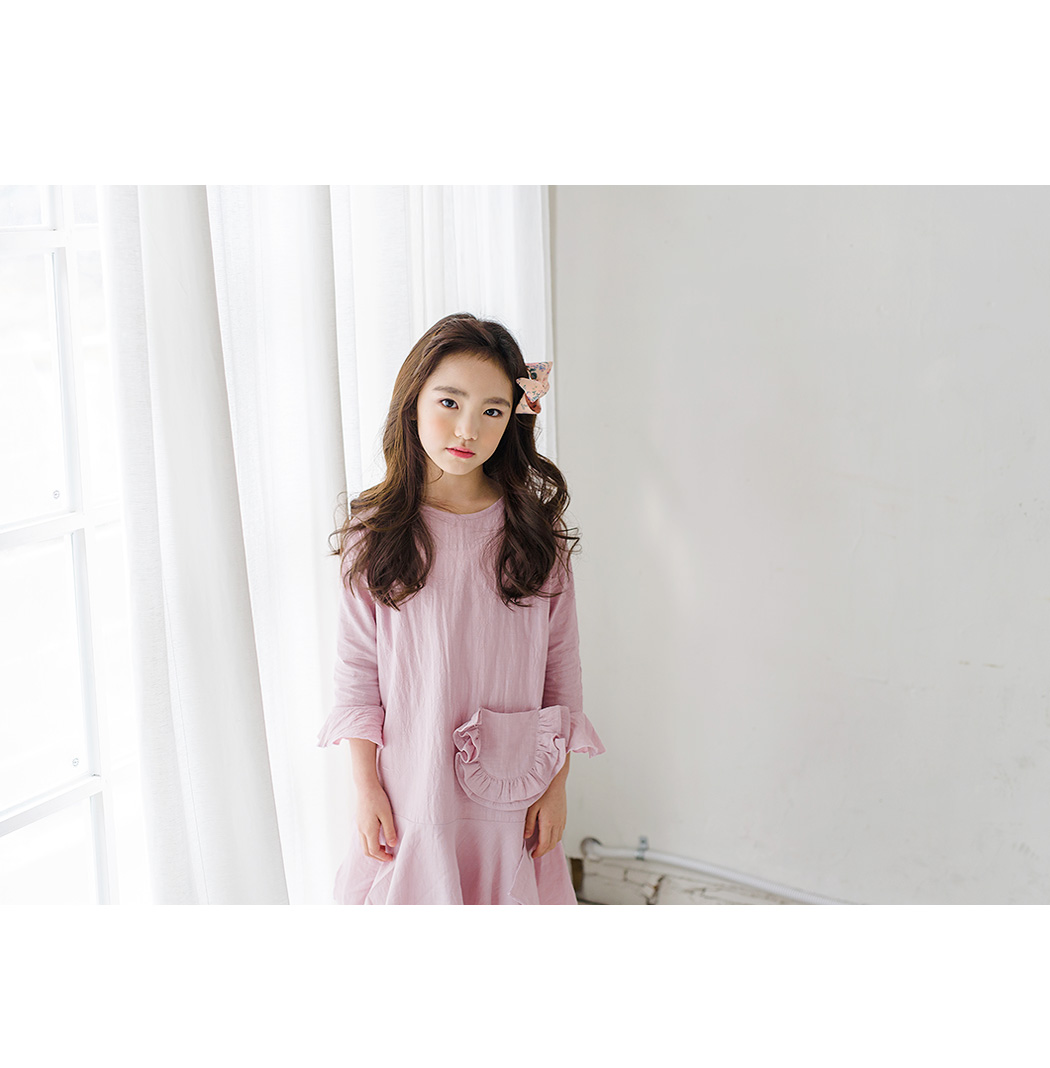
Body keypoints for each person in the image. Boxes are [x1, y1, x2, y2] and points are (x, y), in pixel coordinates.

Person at [317, 312, 605, 904]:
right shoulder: (375, 536)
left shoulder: (535, 536)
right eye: (449, 402)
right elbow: (357, 674)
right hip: (412, 786)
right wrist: (366, 788)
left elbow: (561, 670)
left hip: (515, 788)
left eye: (493, 411)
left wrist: (557, 786)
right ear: (413, 401)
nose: (467, 429)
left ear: (513, 419)